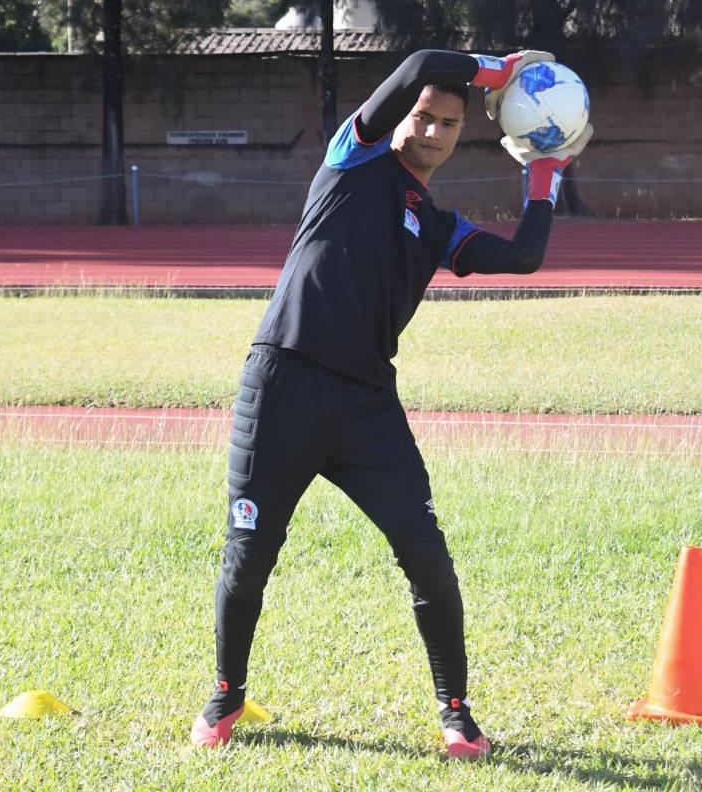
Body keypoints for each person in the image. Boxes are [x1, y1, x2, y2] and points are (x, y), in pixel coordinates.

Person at [190, 48, 592, 760]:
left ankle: (457, 716)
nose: (432, 130)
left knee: (427, 556)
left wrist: (545, 173)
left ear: (461, 134)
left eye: (447, 123)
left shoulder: (438, 226)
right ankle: (225, 696)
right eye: (423, 116)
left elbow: (525, 256)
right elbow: (418, 64)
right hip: (282, 385)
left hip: (367, 407)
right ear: (400, 117)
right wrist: (496, 70)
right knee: (250, 555)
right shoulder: (354, 159)